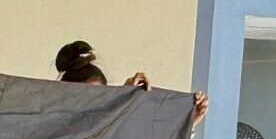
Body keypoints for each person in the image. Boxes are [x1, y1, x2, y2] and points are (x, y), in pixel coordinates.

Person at [54, 39, 209, 128]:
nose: (91, 105)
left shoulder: (112, 131)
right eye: (82, 97)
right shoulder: (51, 131)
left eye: (99, 97)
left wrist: (188, 123)